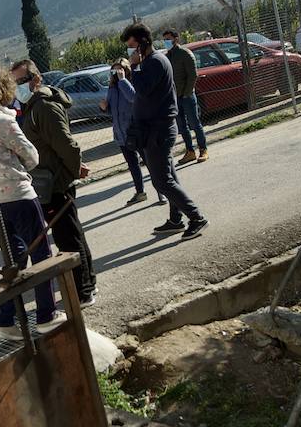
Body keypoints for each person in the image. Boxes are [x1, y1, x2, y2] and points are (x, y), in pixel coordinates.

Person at [0, 65, 63, 337]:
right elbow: (31, 156)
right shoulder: (0, 119)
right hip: (16, 195)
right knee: (40, 252)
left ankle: (5, 320)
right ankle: (47, 314)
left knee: (14, 256)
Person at [11, 59, 98, 308]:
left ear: (36, 79)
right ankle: (87, 284)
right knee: (72, 233)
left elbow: (67, 144)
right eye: (15, 83)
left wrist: (73, 170)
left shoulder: (43, 107)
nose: (18, 87)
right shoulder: (33, 106)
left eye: (21, 81)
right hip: (51, 180)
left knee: (68, 238)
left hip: (55, 184)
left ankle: (83, 290)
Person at [124, 22, 210, 239]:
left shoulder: (154, 62)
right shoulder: (152, 61)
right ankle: (176, 219)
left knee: (162, 181)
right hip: (154, 129)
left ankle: (197, 218)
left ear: (142, 43)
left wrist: (134, 67)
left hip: (159, 130)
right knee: (169, 176)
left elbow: (142, 90)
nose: (130, 51)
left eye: (132, 46)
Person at [99, 58, 149, 205]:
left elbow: (133, 98)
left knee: (149, 161)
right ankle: (140, 192)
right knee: (133, 164)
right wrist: (104, 108)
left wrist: (123, 81)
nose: (115, 73)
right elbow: (113, 111)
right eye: (113, 71)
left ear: (126, 70)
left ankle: (162, 191)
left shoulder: (131, 82)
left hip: (135, 131)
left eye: (119, 70)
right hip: (121, 134)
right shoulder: (112, 87)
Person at [163, 28, 208, 163]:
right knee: (182, 127)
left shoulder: (185, 53)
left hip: (187, 97)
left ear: (176, 39)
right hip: (175, 98)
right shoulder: (167, 57)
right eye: (164, 40)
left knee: (195, 124)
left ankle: (203, 149)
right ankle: (190, 151)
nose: (166, 42)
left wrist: (186, 93)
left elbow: (193, 75)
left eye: (168, 39)